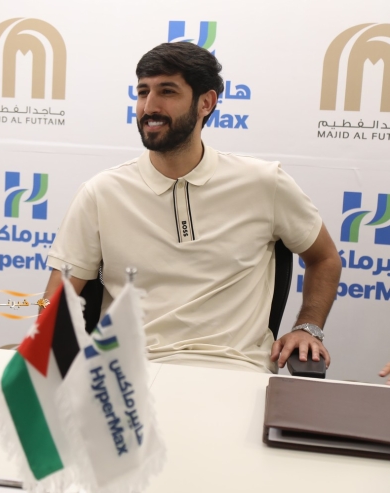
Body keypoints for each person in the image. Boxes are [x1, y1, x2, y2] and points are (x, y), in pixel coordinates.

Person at [45, 42, 341, 373]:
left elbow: (324, 258)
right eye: (143, 92)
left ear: (206, 103)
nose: (149, 107)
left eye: (167, 91)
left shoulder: (264, 182)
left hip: (235, 371)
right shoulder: (100, 192)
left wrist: (307, 327)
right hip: (125, 375)